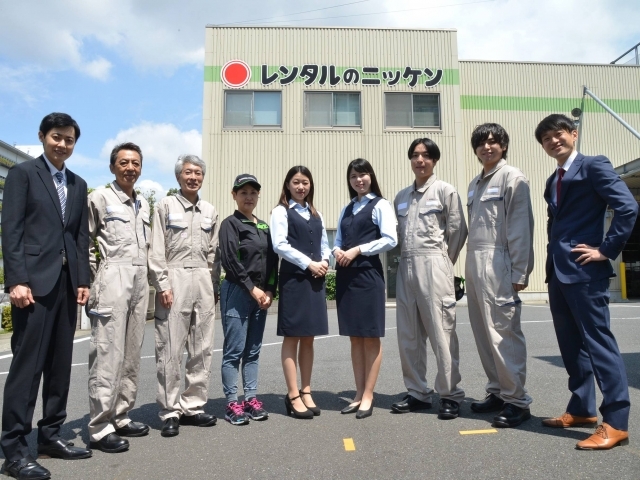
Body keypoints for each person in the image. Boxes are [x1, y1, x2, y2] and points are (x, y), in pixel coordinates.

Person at [536, 114, 638, 450]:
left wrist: (605, 250)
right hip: (558, 271)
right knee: (571, 345)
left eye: (559, 134)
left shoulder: (594, 166)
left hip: (585, 271)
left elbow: (627, 207)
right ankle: (581, 409)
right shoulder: (552, 180)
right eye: (546, 138)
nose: (553, 141)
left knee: (598, 344)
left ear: (573, 134)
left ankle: (616, 422)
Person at [1, 113, 92, 479]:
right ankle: (14, 450)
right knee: (28, 367)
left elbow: (80, 236)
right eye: (57, 137)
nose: (63, 144)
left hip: (67, 285)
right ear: (42, 136)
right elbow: (12, 229)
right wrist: (17, 280)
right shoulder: (24, 174)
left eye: (69, 139)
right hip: (33, 286)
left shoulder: (78, 183)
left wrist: (82, 279)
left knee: (59, 366)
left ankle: (51, 436)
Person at [391, 138, 468, 420]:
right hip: (406, 266)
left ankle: (449, 394)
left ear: (434, 160)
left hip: (435, 263)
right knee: (408, 335)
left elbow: (458, 230)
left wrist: (445, 262)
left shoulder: (445, 191)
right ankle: (417, 392)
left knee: (441, 333)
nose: (419, 160)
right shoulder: (401, 197)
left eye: (425, 155)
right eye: (415, 155)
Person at [465, 123, 535, 428]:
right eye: (481, 143)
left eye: (493, 142)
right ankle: (497, 391)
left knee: (503, 333)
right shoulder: (474, 183)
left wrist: (520, 270)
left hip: (500, 262)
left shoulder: (512, 177)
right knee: (483, 334)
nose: (487, 147)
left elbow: (521, 226)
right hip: (474, 261)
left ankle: (517, 401)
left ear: (503, 145)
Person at [149, 154, 221, 437]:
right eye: (188, 172)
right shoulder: (165, 205)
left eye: (198, 173)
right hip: (174, 277)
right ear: (178, 176)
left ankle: (193, 406)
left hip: (203, 279)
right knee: (170, 347)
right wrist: (162, 284)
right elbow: (156, 248)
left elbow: (213, 253)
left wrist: (213, 286)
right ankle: (169, 410)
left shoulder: (210, 210)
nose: (193, 177)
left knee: (202, 347)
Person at [86, 142, 151, 453]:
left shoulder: (143, 203)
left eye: (135, 163)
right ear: (112, 166)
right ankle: (100, 427)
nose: (130, 168)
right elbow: (84, 241)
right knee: (107, 353)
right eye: (124, 162)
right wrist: (93, 279)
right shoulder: (99, 197)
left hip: (140, 278)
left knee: (131, 353)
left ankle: (121, 415)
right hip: (113, 276)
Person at [333, 159, 397, 419]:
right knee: (355, 337)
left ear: (371, 176)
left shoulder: (380, 205)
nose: (358, 180)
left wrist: (358, 249)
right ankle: (358, 393)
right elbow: (338, 240)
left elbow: (390, 239)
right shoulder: (347, 208)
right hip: (346, 276)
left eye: (363, 174)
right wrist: (337, 251)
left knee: (370, 336)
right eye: (353, 176)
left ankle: (369, 394)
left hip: (368, 276)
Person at [270, 166, 330, 419]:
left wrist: (324, 261)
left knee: (309, 338)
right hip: (294, 280)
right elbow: (279, 245)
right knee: (292, 336)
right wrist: (309, 264)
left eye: (305, 182)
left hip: (315, 280)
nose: (301, 187)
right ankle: (293, 394)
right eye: (296, 182)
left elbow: (325, 244)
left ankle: (306, 390)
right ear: (288, 185)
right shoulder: (280, 211)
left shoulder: (316, 213)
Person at [219, 174, 278, 425]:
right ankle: (232, 403)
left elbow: (273, 261)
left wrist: (270, 291)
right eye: (243, 192)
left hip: (261, 296)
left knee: (253, 351)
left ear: (258, 196)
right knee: (234, 351)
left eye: (253, 192)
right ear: (234, 195)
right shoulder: (230, 224)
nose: (249, 197)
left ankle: (250, 399)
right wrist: (252, 289)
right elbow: (230, 261)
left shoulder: (263, 226)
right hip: (238, 293)